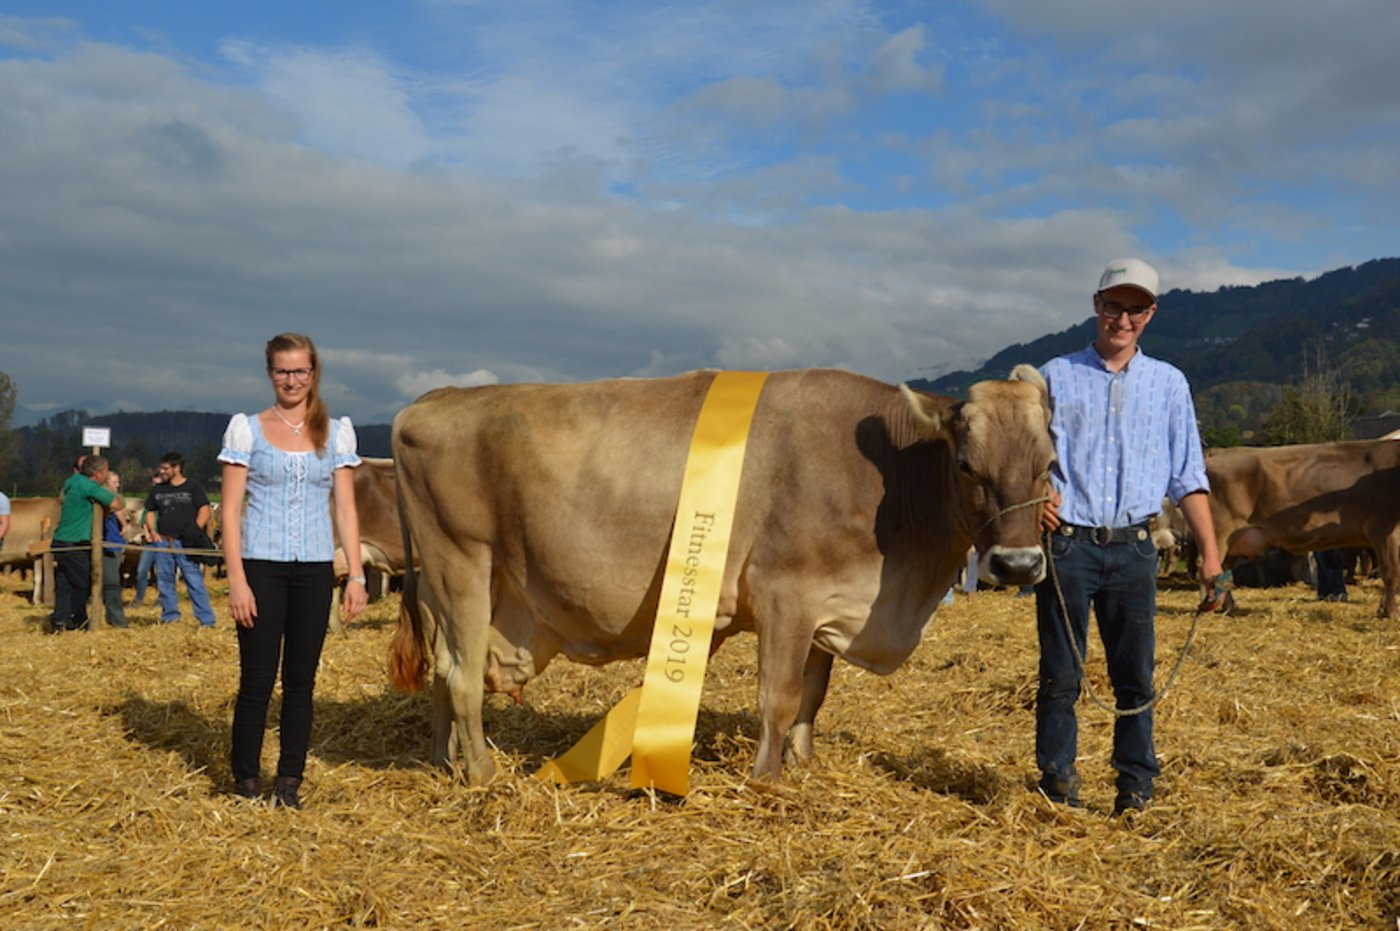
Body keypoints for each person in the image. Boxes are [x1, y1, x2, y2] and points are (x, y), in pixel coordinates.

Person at [1035, 258, 1226, 816]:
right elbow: (1025, 456)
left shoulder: (1168, 383)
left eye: (1135, 308)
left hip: (1136, 546)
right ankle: (1056, 785)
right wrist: (1039, 494)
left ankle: (1135, 788)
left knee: (1135, 677)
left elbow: (1189, 475)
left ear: (1151, 314)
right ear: (1096, 305)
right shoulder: (1054, 375)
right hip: (1067, 544)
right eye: (1113, 305)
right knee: (1060, 677)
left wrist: (1211, 556)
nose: (1122, 318)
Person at [219, 333, 367, 809]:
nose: (292, 380)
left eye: (300, 371)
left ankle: (288, 781)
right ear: (270, 373)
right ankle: (245, 780)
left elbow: (345, 509)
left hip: (314, 571)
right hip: (262, 567)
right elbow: (229, 511)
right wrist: (237, 580)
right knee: (258, 680)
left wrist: (357, 574)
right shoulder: (247, 429)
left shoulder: (336, 431)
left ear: (313, 373)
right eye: (283, 371)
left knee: (301, 683)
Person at [50, 455, 124, 632]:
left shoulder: (73, 481)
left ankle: (59, 621)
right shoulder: (88, 486)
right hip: (75, 543)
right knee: (83, 584)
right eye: (106, 472)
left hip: (60, 540)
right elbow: (116, 503)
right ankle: (76, 620)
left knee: (65, 584)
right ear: (97, 473)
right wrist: (111, 492)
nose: (107, 475)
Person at [144, 452, 217, 627]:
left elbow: (205, 509)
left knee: (194, 580)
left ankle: (206, 620)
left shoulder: (193, 487)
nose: (162, 471)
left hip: (185, 543)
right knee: (165, 581)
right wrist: (153, 531)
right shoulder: (158, 489)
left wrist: (194, 531)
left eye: (166, 468)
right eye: (161, 468)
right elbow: (150, 511)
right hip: (164, 542)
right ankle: (170, 617)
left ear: (177, 468)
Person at [100, 471, 130, 628]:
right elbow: (117, 508)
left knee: (112, 582)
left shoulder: (113, 499)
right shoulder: (109, 499)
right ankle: (114, 617)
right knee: (111, 582)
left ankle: (114, 617)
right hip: (108, 543)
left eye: (118, 482)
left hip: (114, 543)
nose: (117, 485)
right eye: (114, 482)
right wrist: (124, 525)